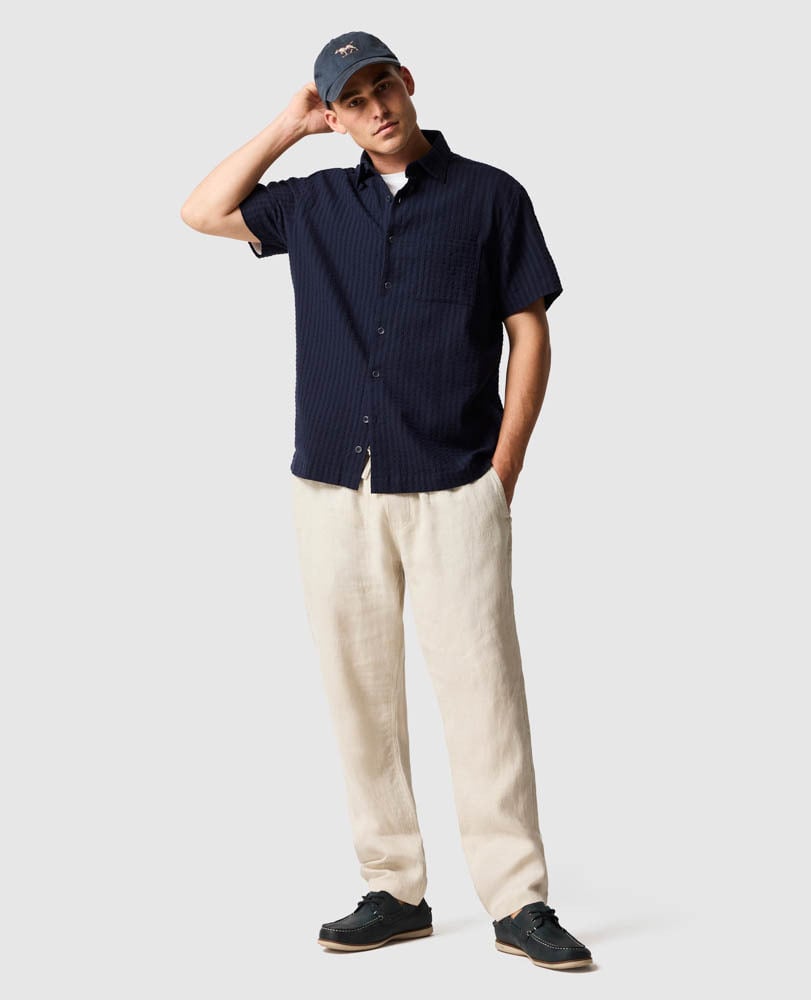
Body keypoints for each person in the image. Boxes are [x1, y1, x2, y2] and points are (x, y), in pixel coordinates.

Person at [181, 30, 593, 972]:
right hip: (332, 485)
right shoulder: (315, 202)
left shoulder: (490, 195)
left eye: (382, 87)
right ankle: (394, 889)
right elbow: (202, 211)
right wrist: (288, 126)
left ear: (407, 84)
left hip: (454, 483)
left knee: (483, 694)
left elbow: (529, 333)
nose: (375, 108)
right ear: (336, 114)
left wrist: (503, 471)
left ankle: (517, 900)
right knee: (358, 694)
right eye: (352, 100)